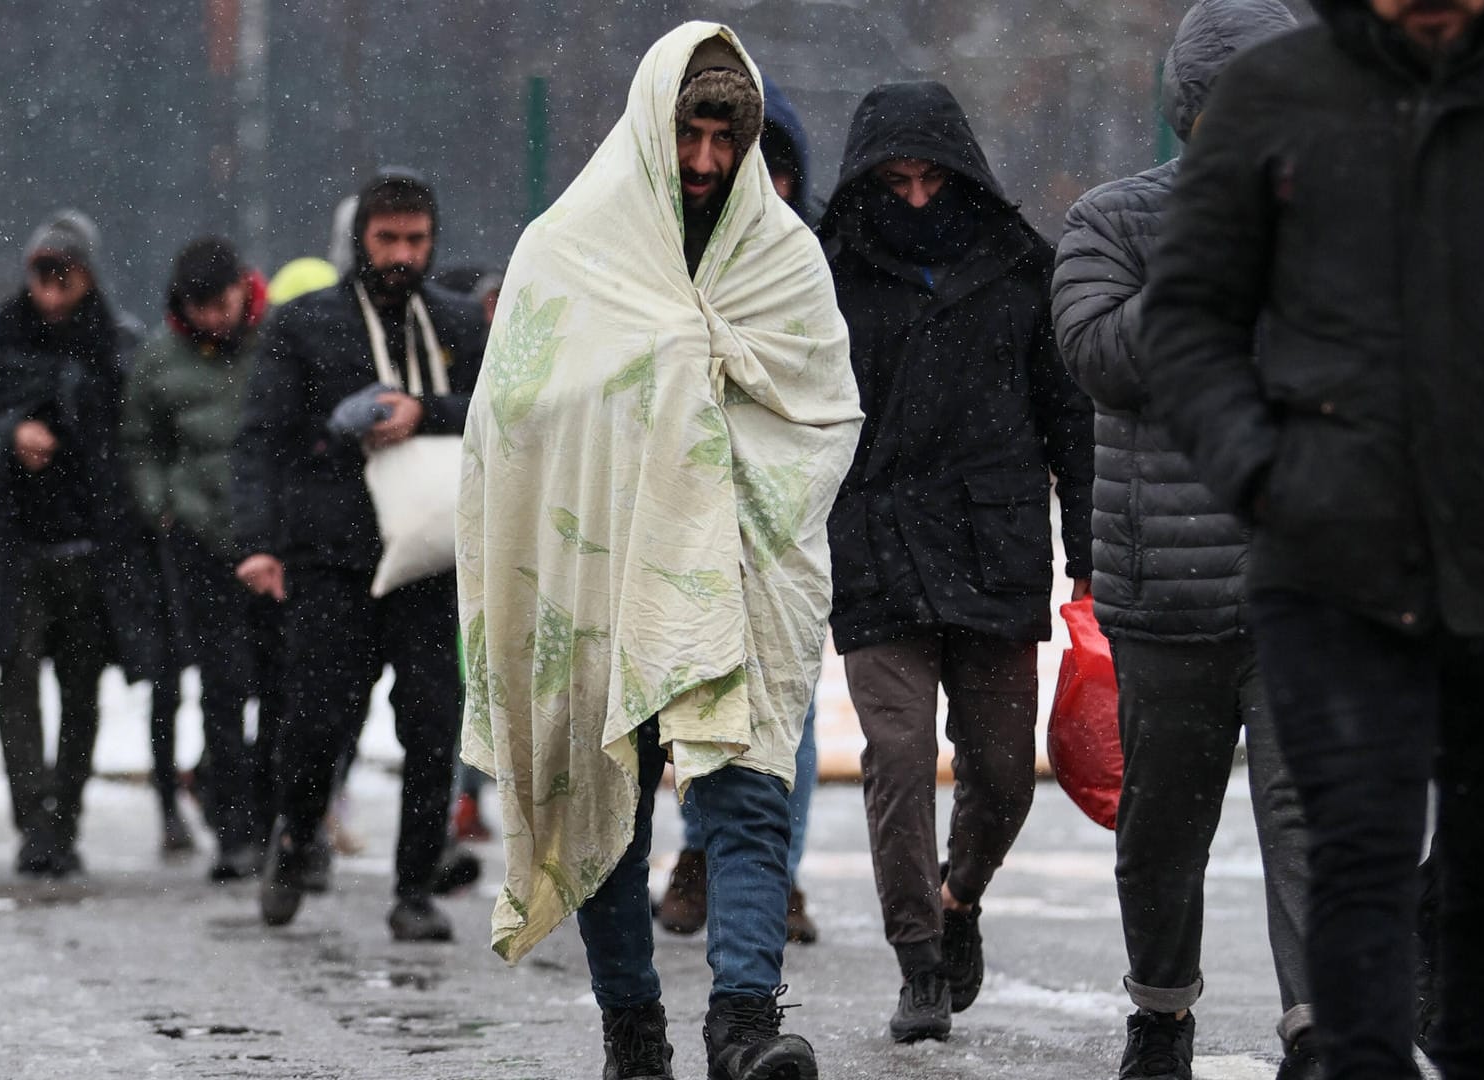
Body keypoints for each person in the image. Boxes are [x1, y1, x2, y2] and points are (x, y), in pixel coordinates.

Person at [1139, 1, 1484, 1077]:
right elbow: (1187, 319)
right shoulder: (1279, 95)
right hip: (1331, 558)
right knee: (1356, 858)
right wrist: (1263, 473)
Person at [459, 23, 860, 1080]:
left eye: (727, 137)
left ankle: (743, 1027)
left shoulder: (783, 259)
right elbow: (516, 420)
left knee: (746, 791)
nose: (706, 162)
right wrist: (663, 377)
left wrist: (703, 385)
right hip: (597, 565)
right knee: (608, 800)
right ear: (653, 128)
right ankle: (632, 1033)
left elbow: (821, 411)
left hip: (739, 565)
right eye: (690, 133)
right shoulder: (568, 252)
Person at [1051, 3, 1313, 1077]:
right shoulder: (1113, 221)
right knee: (1163, 834)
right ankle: (1161, 1015)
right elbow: (1096, 353)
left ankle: (1318, 1029)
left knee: (1312, 826)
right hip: (1167, 598)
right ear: (1194, 113)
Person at [816, 79, 1094, 1042]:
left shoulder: (1024, 268)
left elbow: (1073, 423)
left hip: (996, 541)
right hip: (876, 541)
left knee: (1005, 776)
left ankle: (961, 896)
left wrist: (1091, 556)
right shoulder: (825, 274)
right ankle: (919, 957)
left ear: (963, 171)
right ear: (865, 179)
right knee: (896, 755)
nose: (918, 196)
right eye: (896, 178)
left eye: (933, 175)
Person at [233, 168, 485, 937]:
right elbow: (261, 438)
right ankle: (295, 835)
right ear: (360, 240)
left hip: (431, 560)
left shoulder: (460, 323)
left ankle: (414, 889)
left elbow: (504, 417)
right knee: (315, 721)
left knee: (433, 724)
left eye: (415, 239)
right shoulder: (304, 324)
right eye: (388, 239)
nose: (402, 254)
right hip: (332, 558)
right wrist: (257, 542)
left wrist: (428, 411)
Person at [659, 80, 826, 946]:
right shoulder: (653, 244)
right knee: (688, 694)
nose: (713, 167)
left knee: (777, 704)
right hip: (671, 513)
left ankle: (769, 874)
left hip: (777, 520)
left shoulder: (799, 263)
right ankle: (702, 856)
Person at [0, 210, 141, 878]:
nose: (52, 290)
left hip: (90, 546)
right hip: (17, 545)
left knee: (82, 691)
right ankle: (35, 822)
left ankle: (67, 818)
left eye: (65, 274)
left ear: (87, 274)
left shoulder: (115, 345)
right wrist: (11, 437)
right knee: (17, 686)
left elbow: (127, 443)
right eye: (42, 274)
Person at [120, 237, 271, 882]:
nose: (214, 318)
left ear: (244, 290)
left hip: (271, 539)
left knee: (281, 684)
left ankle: (275, 818)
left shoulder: (277, 345)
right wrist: (163, 506)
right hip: (199, 543)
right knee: (220, 685)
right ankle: (235, 828)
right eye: (200, 308)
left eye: (222, 304)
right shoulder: (159, 359)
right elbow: (141, 442)